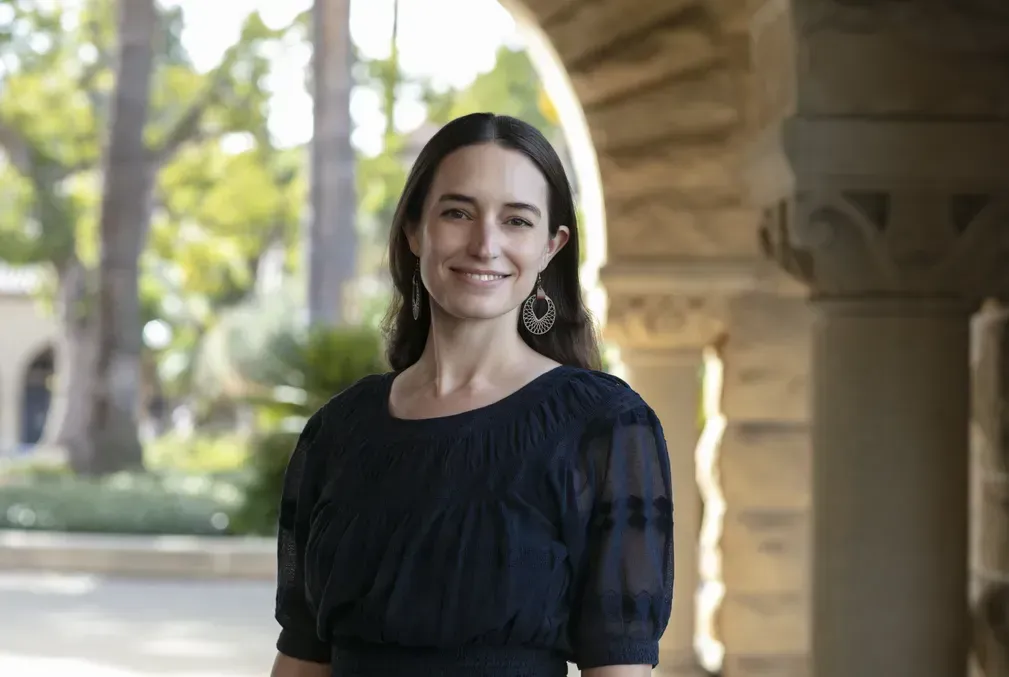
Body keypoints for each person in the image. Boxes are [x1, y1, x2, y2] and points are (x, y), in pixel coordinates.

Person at [270, 113, 674, 677]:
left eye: (517, 220)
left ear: (551, 246)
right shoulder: (337, 431)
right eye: (458, 212)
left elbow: (621, 669)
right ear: (414, 230)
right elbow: (301, 658)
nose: (486, 244)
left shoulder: (605, 427)